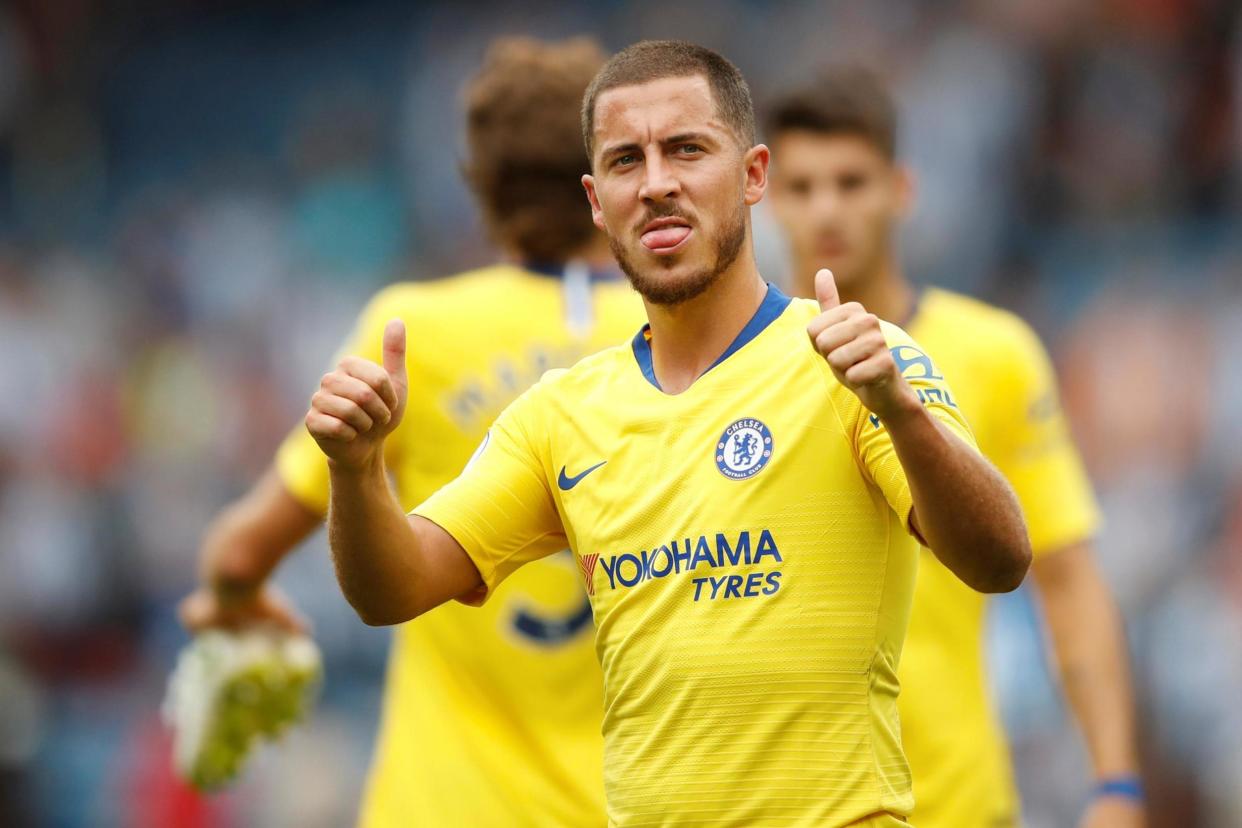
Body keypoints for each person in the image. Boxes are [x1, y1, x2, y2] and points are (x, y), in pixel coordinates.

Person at [308, 40, 1031, 827]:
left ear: (754, 176)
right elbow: (395, 588)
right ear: (595, 199)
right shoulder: (561, 414)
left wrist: (901, 412)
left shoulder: (856, 360)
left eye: (686, 150)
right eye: (626, 161)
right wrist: (357, 468)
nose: (656, 185)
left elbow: (1000, 558)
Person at [179, 36, 645, 827]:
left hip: (447, 805)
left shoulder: (413, 332)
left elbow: (238, 550)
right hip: (641, 803)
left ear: (483, 184)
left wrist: (235, 602)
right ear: (607, 178)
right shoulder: (685, 334)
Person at [765, 67, 1144, 828]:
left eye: (851, 181)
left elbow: (1066, 578)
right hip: (781, 804)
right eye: (801, 187)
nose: (827, 209)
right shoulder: (735, 368)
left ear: (901, 189)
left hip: (954, 802)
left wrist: (1116, 782)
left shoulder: (992, 353)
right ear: (765, 197)